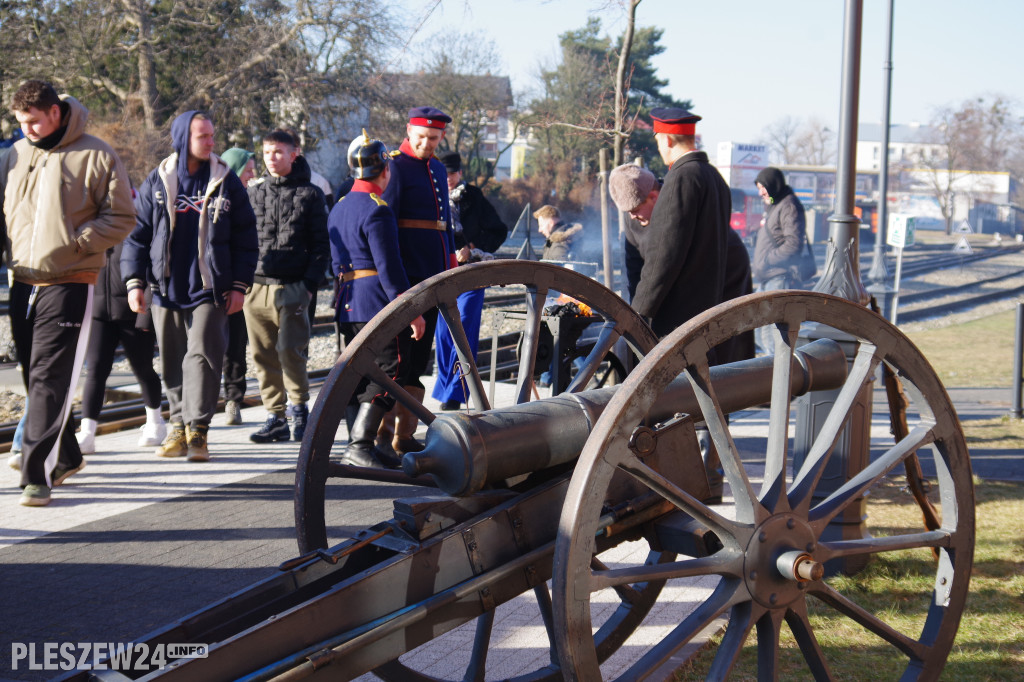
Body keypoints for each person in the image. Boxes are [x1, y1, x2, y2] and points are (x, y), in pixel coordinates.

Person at [0, 80, 136, 506]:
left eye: (33, 121)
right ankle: (69, 455)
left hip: (70, 280)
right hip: (21, 280)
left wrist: (78, 244)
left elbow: (122, 216)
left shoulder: (96, 153)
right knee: (32, 377)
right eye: (20, 122)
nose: (26, 130)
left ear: (55, 113)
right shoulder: (16, 154)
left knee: (49, 379)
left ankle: (35, 474)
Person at [123, 110, 257, 463]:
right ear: (184, 138)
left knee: (201, 357)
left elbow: (246, 239)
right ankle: (178, 426)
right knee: (170, 362)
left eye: (213, 136)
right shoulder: (159, 178)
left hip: (210, 289)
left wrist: (240, 286)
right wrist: (134, 282)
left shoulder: (227, 181)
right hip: (165, 287)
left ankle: (198, 429)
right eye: (204, 137)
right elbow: (137, 237)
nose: (212, 143)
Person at [329, 132, 425, 467]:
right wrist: (410, 310)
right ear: (384, 170)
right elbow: (389, 266)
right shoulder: (378, 210)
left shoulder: (339, 207)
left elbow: (334, 262)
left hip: (347, 300)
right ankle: (360, 445)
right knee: (391, 370)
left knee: (357, 373)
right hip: (376, 301)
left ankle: (365, 447)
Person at [379, 106, 457, 456]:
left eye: (434, 138)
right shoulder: (393, 165)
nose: (427, 144)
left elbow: (445, 224)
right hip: (407, 271)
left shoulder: (438, 168)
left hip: (433, 272)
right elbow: (387, 223)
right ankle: (381, 434)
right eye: (421, 137)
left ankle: (405, 435)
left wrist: (451, 264)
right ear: (409, 132)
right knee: (400, 356)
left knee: (420, 358)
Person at [244, 130, 328, 443]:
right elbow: (243, 240)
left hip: (294, 286)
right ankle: (275, 416)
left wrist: (308, 285)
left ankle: (299, 412)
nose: (272, 158)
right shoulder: (254, 193)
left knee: (291, 352)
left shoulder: (311, 194)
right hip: (257, 287)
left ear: (294, 154)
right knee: (262, 355)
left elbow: (322, 245)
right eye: (267, 152)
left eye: (279, 152)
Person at [630, 108, 732, 340]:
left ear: (666, 138)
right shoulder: (714, 177)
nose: (658, 147)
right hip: (706, 310)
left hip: (677, 318)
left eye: (657, 140)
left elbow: (664, 252)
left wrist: (638, 311)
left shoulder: (680, 177)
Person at [432, 151, 508, 410]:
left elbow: (499, 230)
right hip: (442, 272)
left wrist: (474, 246)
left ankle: (456, 392)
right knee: (442, 333)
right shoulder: (432, 195)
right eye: (445, 175)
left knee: (464, 326)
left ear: (460, 174)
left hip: (471, 272)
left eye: (452, 174)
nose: (449, 179)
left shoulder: (473, 197)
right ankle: (445, 389)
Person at [77, 240, 166, 454]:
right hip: (99, 311)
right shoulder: (93, 225)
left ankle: (156, 422)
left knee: (142, 367)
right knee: (96, 369)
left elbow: (149, 262)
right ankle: (87, 432)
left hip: (133, 310)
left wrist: (147, 306)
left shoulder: (132, 223)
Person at [217, 147, 257, 425]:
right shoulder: (216, 197)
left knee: (235, 346)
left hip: (237, 283)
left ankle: (233, 399)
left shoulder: (251, 196)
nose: (253, 174)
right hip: (211, 283)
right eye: (249, 168)